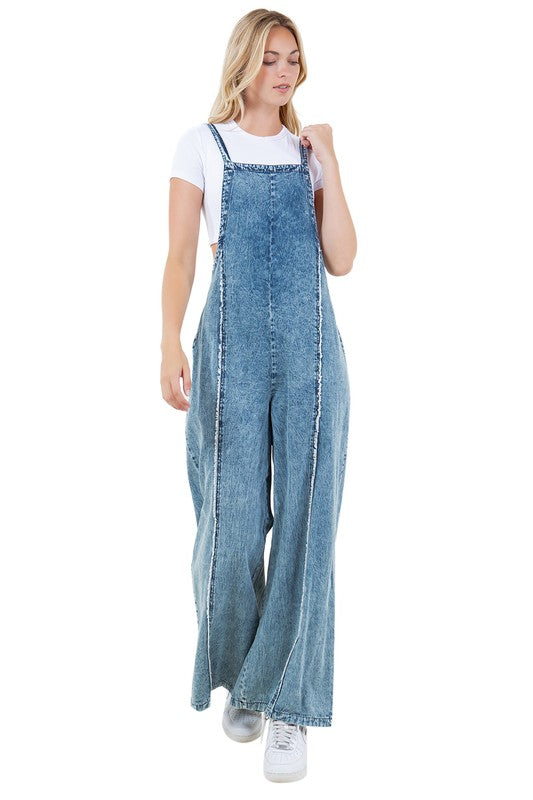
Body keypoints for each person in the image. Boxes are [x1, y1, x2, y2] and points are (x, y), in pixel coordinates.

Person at [161, 9, 357, 783]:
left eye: (293, 59)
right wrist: (168, 341)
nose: (284, 72)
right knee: (230, 522)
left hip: (312, 357)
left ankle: (288, 706)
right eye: (271, 58)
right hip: (230, 352)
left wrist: (330, 162)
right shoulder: (202, 145)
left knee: (308, 526)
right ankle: (246, 671)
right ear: (242, 62)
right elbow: (181, 255)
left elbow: (341, 258)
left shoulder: (307, 154)